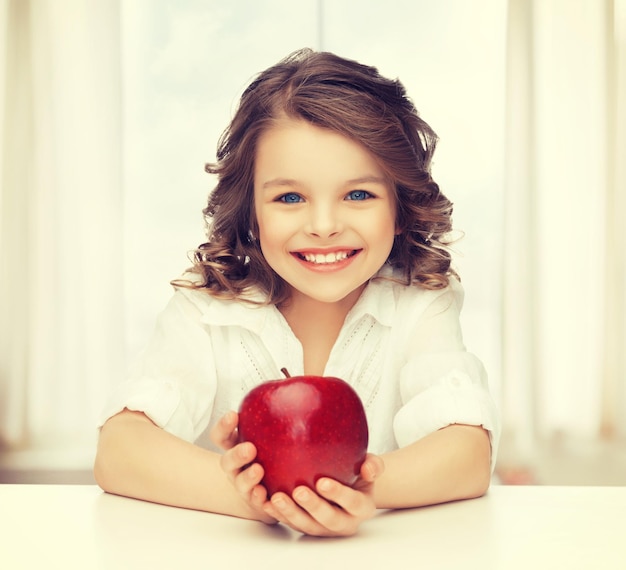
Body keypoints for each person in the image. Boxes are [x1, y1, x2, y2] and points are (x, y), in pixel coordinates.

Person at [94, 48, 500, 537]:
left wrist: (354, 491)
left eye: (358, 195)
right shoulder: (206, 307)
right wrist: (256, 494)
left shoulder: (418, 301)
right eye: (290, 197)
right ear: (251, 212)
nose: (324, 226)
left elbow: (468, 454)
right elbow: (119, 450)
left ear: (400, 208)